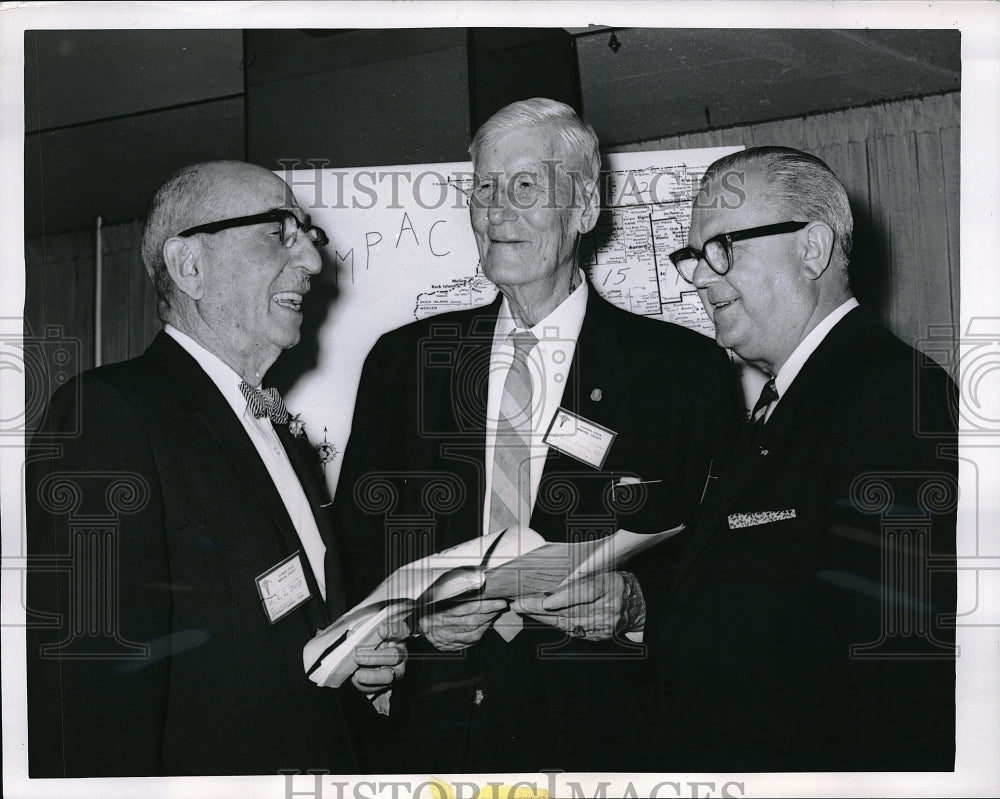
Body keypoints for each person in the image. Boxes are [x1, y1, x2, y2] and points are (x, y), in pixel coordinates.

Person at [333, 98, 743, 773]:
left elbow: (722, 563)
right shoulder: (403, 362)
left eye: (525, 185)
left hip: (602, 737)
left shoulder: (680, 371)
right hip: (430, 739)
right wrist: (411, 617)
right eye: (484, 189)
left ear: (584, 208)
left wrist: (634, 601)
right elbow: (355, 546)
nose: (497, 209)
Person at [25, 161, 401, 777]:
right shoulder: (109, 414)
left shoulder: (280, 431)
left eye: (309, 235)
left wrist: (349, 666)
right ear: (189, 266)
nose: (311, 261)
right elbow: (89, 692)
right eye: (279, 231)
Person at [650, 146, 958, 771]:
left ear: (812, 249)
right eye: (694, 256)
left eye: (723, 249)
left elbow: (900, 658)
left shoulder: (888, 392)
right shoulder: (782, 404)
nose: (702, 278)